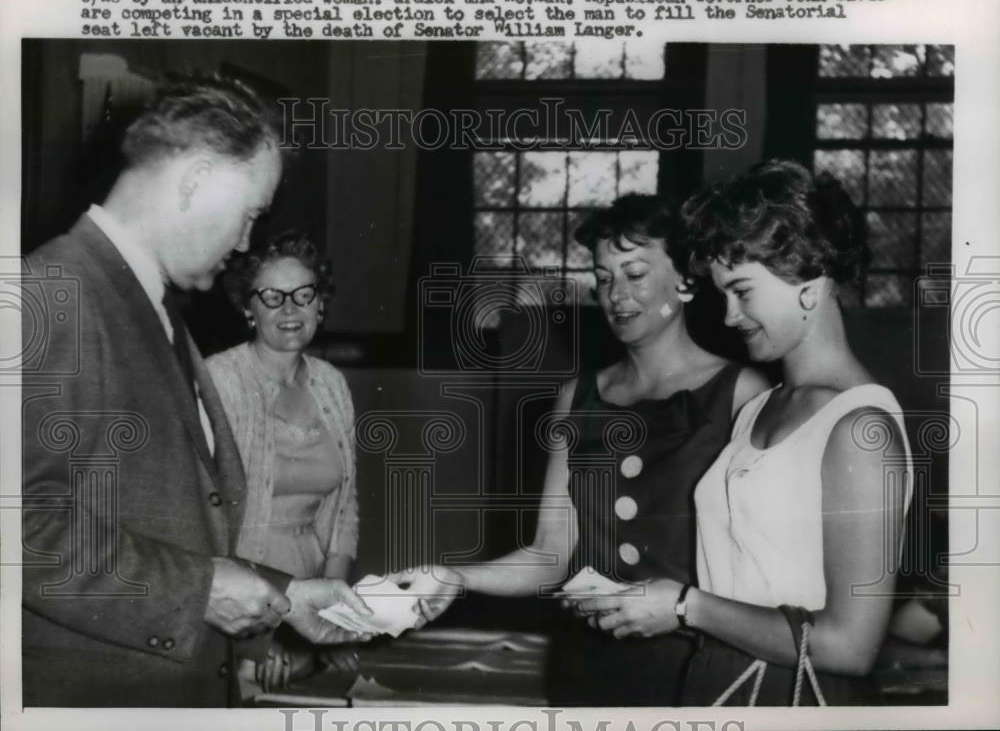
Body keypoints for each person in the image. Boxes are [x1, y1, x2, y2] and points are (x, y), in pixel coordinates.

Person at [21, 74, 370, 707]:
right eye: (249, 215)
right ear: (196, 181)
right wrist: (200, 590)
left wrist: (285, 595)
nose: (244, 244)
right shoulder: (50, 293)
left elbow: (170, 525)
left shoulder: (153, 308)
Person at [395, 194, 768, 705]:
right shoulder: (577, 396)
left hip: (696, 670)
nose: (616, 293)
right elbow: (549, 554)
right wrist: (454, 576)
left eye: (635, 273)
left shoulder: (743, 393)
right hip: (588, 670)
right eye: (603, 276)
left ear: (684, 280)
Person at [572, 160, 914, 705]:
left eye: (743, 291)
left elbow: (850, 646)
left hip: (794, 699)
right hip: (714, 684)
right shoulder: (763, 408)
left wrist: (686, 605)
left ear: (810, 283)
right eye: (721, 293)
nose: (729, 316)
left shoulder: (858, 428)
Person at [207, 232, 362, 690]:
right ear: (247, 309)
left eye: (303, 294)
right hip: (237, 602)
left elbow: (345, 510)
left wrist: (331, 616)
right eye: (272, 297)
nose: (289, 309)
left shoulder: (332, 384)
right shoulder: (220, 380)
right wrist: (256, 635)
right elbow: (200, 518)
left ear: (320, 304)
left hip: (311, 591)